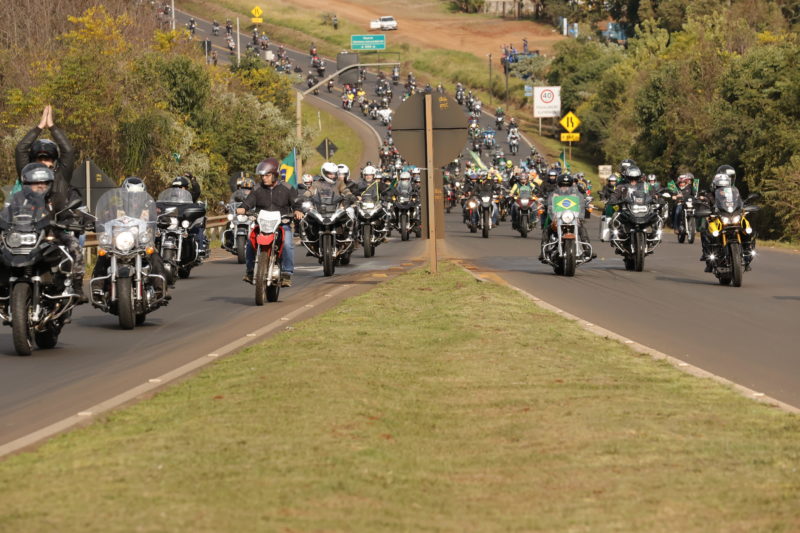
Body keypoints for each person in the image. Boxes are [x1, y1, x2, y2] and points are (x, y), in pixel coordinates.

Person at [16, 163, 88, 301]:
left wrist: (70, 221)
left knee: (75, 246)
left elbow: (66, 214)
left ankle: (77, 286)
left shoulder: (56, 198)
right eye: (35, 183)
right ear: (27, 184)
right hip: (23, 236)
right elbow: (6, 214)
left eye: (43, 182)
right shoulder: (19, 198)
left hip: (53, 234)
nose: (40, 186)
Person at [93, 177, 170, 292]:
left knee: (155, 256)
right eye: (130, 196)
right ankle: (97, 287)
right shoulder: (115, 208)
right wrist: (96, 222)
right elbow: (104, 218)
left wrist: (163, 219)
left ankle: (160, 287)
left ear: (143, 196)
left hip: (142, 243)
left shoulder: (149, 209)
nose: (134, 199)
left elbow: (158, 217)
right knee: (103, 256)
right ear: (123, 195)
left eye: (138, 196)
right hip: (118, 244)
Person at [237, 158, 303, 286]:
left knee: (287, 244)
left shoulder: (287, 188)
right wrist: (242, 208)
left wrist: (298, 211)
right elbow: (248, 202)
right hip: (262, 225)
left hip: (281, 224)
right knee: (250, 243)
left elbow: (297, 203)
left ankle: (286, 273)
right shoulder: (257, 188)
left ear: (275, 175)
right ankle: (250, 271)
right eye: (262, 176)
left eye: (267, 175)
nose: (264, 178)